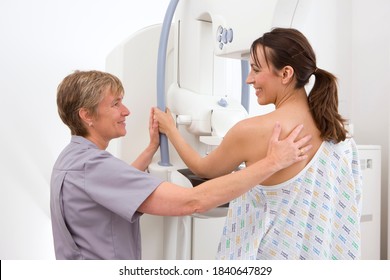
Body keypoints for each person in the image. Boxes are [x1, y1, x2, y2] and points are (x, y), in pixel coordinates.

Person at [50, 70, 311, 260]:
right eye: (115, 104)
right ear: (86, 115)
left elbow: (116, 183)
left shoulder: (73, 159)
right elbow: (192, 202)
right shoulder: (93, 166)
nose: (126, 111)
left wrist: (152, 148)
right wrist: (272, 162)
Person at [153, 28, 362, 260]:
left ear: (285, 74)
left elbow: (203, 170)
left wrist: (171, 130)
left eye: (255, 69)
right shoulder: (339, 134)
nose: (248, 79)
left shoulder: (251, 131)